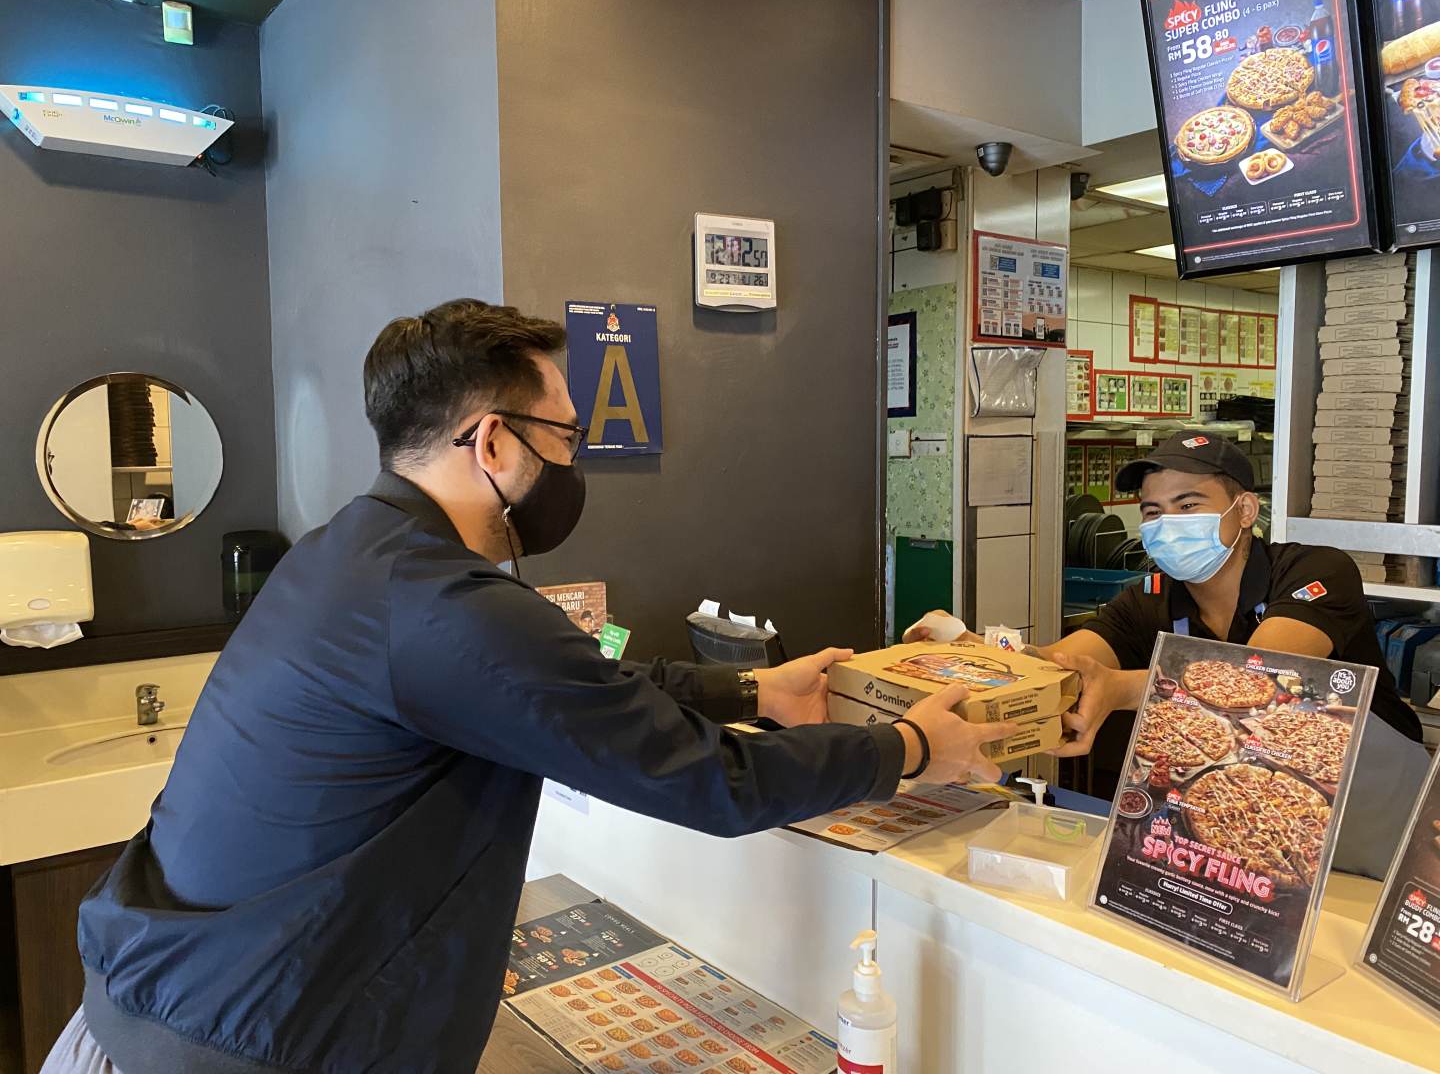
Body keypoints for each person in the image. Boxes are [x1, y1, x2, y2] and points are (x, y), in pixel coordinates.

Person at [47, 299, 1019, 1074]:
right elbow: (711, 784)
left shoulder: (350, 554)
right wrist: (912, 747)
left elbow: (565, 687)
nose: (574, 461)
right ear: (493, 443)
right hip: (238, 1042)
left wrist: (756, 693)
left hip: (156, 1004)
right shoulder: (444, 604)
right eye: (565, 435)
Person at [909, 431, 1430, 877]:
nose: (1168, 523)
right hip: (1243, 815)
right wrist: (972, 652)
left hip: (1372, 811)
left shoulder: (1316, 570)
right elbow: (1061, 665)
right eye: (1153, 512)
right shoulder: (1151, 597)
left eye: (1188, 505)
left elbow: (1262, 675)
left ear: (1245, 510)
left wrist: (1121, 688)